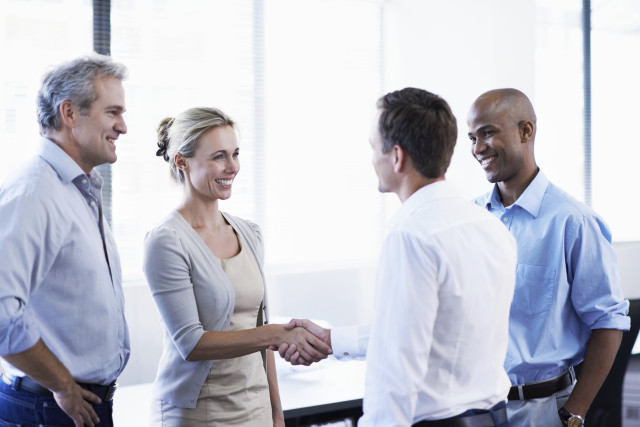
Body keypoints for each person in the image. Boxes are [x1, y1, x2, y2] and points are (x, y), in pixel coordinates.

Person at [283, 88, 518, 426]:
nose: (371, 159)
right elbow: (432, 329)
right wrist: (330, 340)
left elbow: (396, 367)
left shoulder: (411, 234)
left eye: (372, 147)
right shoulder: (491, 228)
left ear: (396, 157)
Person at [144, 106, 332, 426]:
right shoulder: (166, 241)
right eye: (219, 156)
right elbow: (192, 343)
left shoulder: (249, 233)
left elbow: (261, 326)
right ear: (182, 161)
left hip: (254, 407)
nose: (232, 167)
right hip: (198, 412)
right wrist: (275, 334)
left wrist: (275, 410)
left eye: (235, 154)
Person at [466, 88, 631, 427]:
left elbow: (608, 322)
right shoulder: (471, 220)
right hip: (475, 407)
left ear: (526, 131)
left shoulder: (574, 221)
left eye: (487, 133)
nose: (477, 148)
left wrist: (573, 412)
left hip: (542, 411)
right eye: (472, 137)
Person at [0, 55, 130, 427]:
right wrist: (62, 386)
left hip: (76, 404)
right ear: (69, 114)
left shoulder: (79, 189)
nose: (123, 127)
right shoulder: (35, 191)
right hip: (49, 408)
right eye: (113, 112)